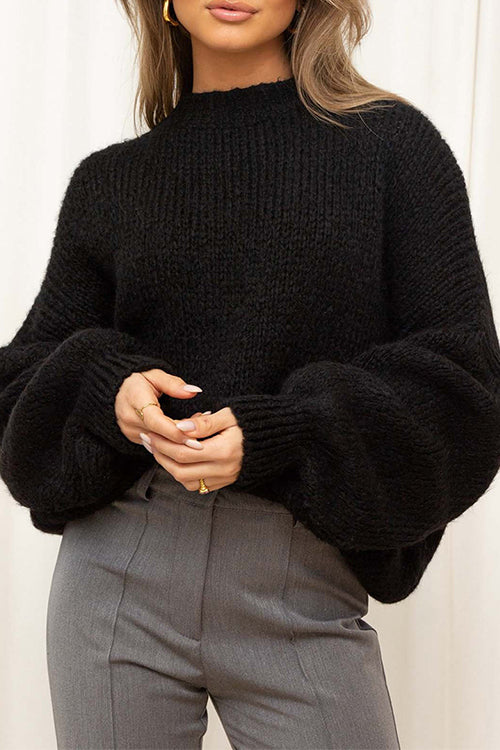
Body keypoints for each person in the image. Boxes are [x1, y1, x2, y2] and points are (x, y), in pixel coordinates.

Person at [2, 0, 500, 748]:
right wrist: (112, 391)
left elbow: (464, 388)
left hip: (299, 577)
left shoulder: (393, 150)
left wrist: (285, 432)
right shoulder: (109, 183)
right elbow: (19, 385)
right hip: (116, 576)